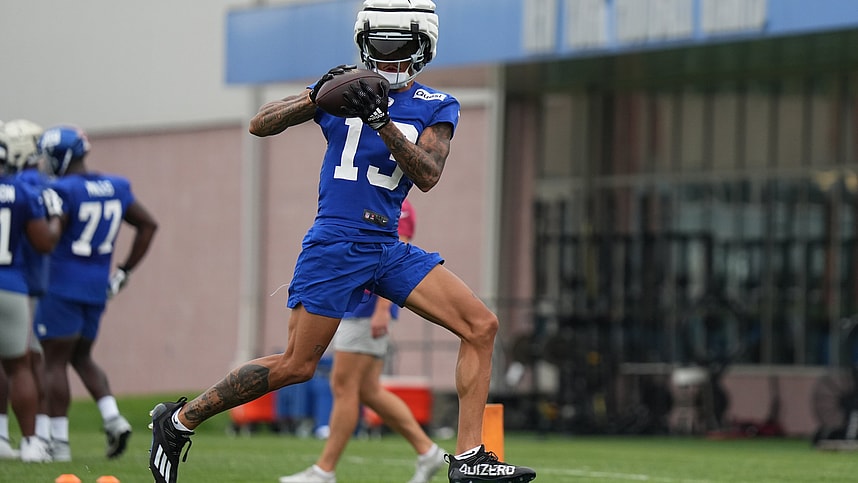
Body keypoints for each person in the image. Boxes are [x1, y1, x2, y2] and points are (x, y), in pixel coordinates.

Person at [148, 1, 536, 482]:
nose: (389, 61)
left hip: (386, 245)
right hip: (337, 240)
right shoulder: (343, 91)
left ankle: (469, 457)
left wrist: (381, 122)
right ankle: (179, 419)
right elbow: (259, 123)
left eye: (401, 50)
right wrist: (314, 97)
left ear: (423, 50)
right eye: (381, 48)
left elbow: (428, 174)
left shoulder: (436, 104)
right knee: (297, 365)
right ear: (363, 43)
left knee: (481, 326)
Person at [279, 199, 446, 483]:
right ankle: (427, 451)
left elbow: (396, 258)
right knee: (367, 390)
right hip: (356, 305)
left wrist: (382, 311)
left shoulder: (398, 205)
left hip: (366, 311)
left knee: (343, 386)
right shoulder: (373, 198)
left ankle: (324, 470)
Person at [35, 125, 158, 462]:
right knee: (80, 356)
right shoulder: (114, 186)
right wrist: (124, 271)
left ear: (61, 156)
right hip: (96, 287)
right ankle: (113, 418)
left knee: (53, 362)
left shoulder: (62, 190)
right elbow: (148, 224)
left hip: (61, 285)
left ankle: (57, 443)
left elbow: (52, 235)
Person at [0, 120, 63, 462]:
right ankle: (31, 443)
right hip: (11, 285)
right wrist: (54, 219)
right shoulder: (22, 190)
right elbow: (44, 243)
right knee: (19, 364)